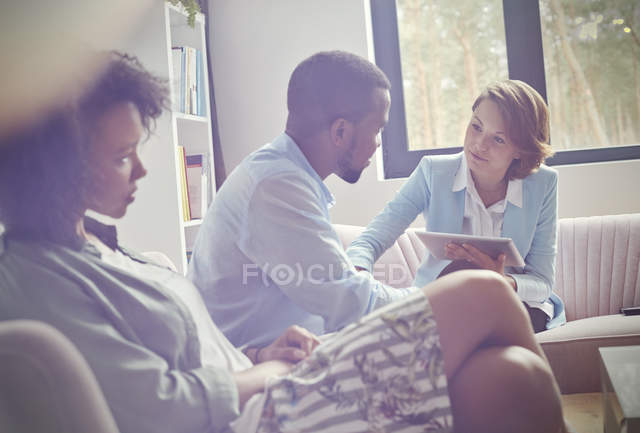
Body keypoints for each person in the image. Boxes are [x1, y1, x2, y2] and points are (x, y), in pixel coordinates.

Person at [0, 51, 571, 433]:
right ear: (56, 165)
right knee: (485, 295)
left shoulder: (99, 249)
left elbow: (189, 351)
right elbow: (158, 405)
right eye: (124, 156)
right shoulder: (38, 280)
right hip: (258, 409)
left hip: (270, 372)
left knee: (507, 377)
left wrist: (256, 356)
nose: (142, 173)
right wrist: (261, 375)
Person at [188, 50, 417, 349]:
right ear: (340, 131)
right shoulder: (276, 185)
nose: (377, 145)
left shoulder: (284, 175)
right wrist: (436, 294)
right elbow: (349, 302)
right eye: (377, 130)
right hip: (256, 367)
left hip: (293, 350)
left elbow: (336, 288)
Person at [346, 80, 565, 333]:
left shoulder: (543, 184)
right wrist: (358, 274)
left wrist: (504, 281)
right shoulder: (433, 172)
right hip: (444, 304)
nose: (479, 145)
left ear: (521, 151)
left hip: (513, 307)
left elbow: (542, 282)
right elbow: (370, 240)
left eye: (499, 139)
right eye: (476, 127)